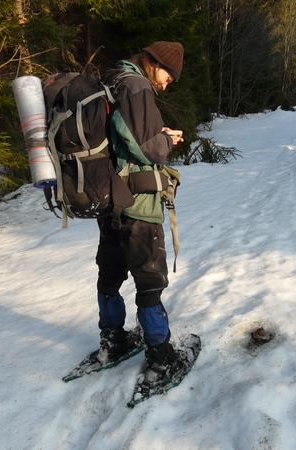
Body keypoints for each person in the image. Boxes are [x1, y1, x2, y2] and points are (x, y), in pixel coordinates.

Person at [95, 41, 185, 377]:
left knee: (110, 272)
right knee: (149, 279)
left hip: (108, 199)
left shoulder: (113, 80)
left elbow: (122, 136)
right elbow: (149, 150)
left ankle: (113, 338)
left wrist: (154, 134)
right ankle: (161, 356)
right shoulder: (137, 87)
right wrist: (168, 139)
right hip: (138, 204)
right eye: (167, 75)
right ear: (153, 62)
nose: (166, 83)